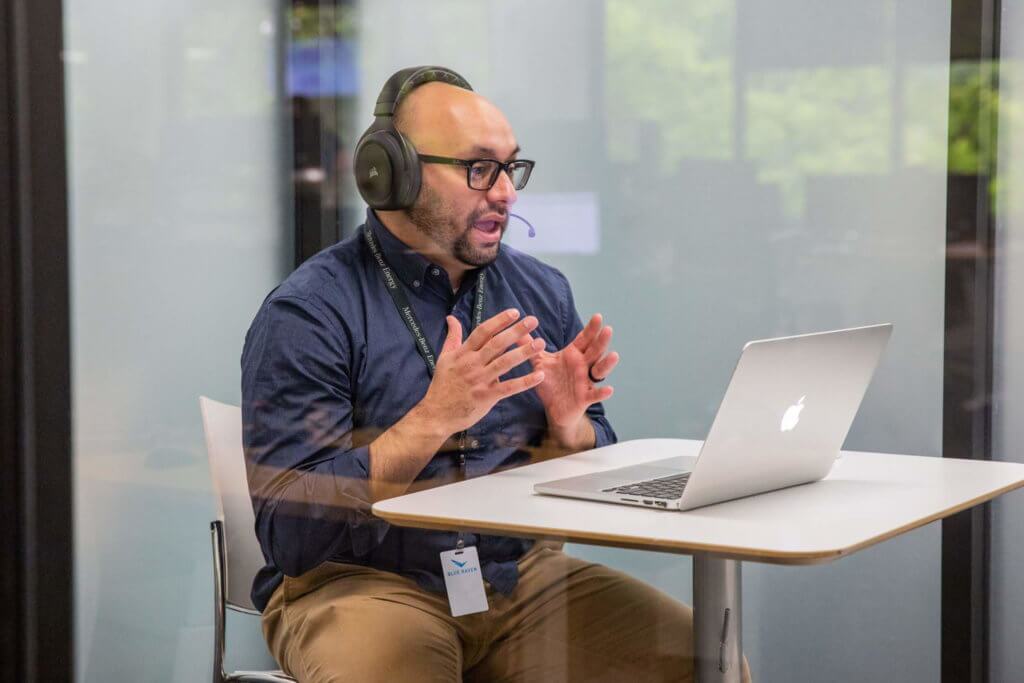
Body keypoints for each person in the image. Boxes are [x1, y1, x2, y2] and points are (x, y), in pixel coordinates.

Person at [241, 66, 750, 683]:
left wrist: (570, 432)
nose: (506, 192)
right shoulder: (311, 313)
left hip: (515, 577)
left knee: (709, 666)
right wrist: (433, 418)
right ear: (393, 173)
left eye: (513, 168)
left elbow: (589, 461)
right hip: (360, 584)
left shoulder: (539, 290)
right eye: (480, 169)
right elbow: (291, 535)